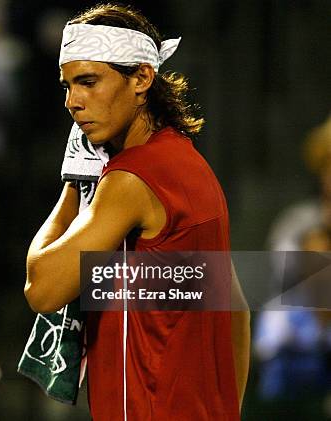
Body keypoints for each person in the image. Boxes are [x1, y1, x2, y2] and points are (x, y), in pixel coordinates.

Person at [24, 3, 250, 420]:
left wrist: (73, 185)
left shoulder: (132, 180)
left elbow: (41, 287)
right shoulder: (190, 164)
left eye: (89, 82)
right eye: (67, 86)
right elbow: (236, 307)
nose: (73, 102)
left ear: (142, 77)